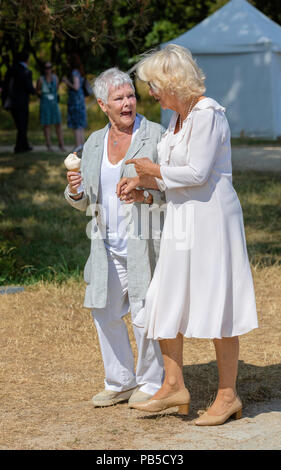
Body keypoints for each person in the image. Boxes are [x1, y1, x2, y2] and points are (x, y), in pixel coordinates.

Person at [117, 45, 258, 425]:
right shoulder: (176, 122)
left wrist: (154, 171)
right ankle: (174, 386)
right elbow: (174, 181)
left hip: (213, 222)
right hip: (182, 220)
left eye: (154, 85)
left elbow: (197, 173)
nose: (151, 93)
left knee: (218, 305)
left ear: (172, 81)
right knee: (163, 297)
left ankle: (228, 396)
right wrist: (143, 185)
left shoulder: (207, 113)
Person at [64, 68, 165, 407]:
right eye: (119, 98)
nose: (127, 103)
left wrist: (146, 195)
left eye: (131, 96)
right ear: (103, 104)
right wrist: (75, 190)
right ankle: (120, 380)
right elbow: (85, 200)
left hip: (145, 243)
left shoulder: (155, 135)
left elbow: (173, 187)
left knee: (144, 314)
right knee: (103, 310)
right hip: (105, 244)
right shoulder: (93, 142)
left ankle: (151, 384)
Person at [3, 51, 36, 153]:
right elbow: (29, 88)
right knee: (22, 125)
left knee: (20, 125)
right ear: (26, 60)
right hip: (22, 103)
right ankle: (19, 147)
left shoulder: (11, 70)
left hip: (11, 102)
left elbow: (5, 86)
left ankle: (24, 145)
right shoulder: (26, 72)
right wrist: (37, 91)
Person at [36, 62, 65, 152]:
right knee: (46, 125)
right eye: (46, 67)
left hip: (54, 103)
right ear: (44, 69)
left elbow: (56, 89)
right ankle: (49, 145)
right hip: (45, 103)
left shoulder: (55, 78)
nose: (48, 69)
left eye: (50, 67)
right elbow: (37, 91)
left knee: (58, 124)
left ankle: (61, 144)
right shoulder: (40, 79)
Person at [63, 54, 87, 149]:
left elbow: (76, 87)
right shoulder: (79, 72)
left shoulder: (74, 72)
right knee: (80, 122)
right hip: (80, 99)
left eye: (68, 61)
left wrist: (66, 82)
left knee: (76, 122)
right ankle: (81, 144)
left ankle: (78, 144)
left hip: (75, 100)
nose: (67, 63)